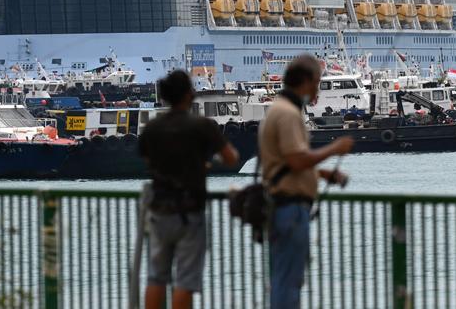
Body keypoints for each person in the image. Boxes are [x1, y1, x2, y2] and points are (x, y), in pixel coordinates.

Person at [259, 55, 354, 309]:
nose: (318, 89)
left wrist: (322, 175)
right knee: (289, 281)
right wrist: (335, 149)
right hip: (290, 209)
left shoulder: (278, 109)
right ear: (306, 81)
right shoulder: (288, 114)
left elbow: (286, 162)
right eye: (317, 82)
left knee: (284, 278)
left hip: (282, 207)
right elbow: (297, 159)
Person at [139, 70, 239, 309]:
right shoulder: (201, 126)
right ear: (188, 95)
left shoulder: (152, 127)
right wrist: (205, 162)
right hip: (189, 212)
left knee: (156, 277)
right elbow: (231, 158)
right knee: (185, 279)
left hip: (158, 210)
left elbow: (147, 160)